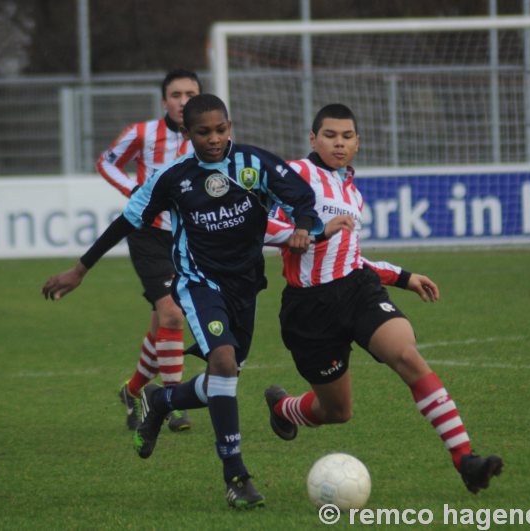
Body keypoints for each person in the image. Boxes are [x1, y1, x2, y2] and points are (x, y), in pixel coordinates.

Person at [42, 94, 329, 509]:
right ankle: (236, 476)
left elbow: (301, 197)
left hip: (246, 286)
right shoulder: (172, 178)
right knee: (225, 364)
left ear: (231, 126)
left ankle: (161, 400)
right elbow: (127, 220)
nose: (213, 139)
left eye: (220, 130)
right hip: (199, 284)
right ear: (187, 133)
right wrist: (80, 269)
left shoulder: (254, 164)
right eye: (203, 132)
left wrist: (304, 226)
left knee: (221, 384)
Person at [262, 103, 504, 495]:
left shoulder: (353, 194)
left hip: (357, 289)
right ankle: (283, 408)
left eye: (346, 137)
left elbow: (351, 258)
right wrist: (310, 231)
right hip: (308, 309)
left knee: (405, 352)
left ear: (357, 143)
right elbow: (257, 223)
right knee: (337, 411)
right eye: (329, 135)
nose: (338, 144)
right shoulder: (294, 175)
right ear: (313, 138)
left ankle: (466, 460)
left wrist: (404, 277)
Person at [96, 69, 201, 433]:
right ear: (164, 101)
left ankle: (132, 390)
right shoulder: (141, 133)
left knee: (162, 322)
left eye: (190, 93)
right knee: (173, 315)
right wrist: (133, 189)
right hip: (148, 233)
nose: (183, 100)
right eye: (176, 94)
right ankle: (172, 402)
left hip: (188, 238)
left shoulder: (210, 137)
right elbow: (107, 162)